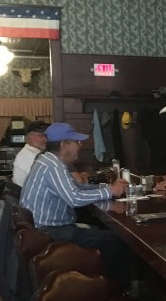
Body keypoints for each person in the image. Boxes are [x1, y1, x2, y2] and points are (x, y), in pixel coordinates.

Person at [20, 122, 131, 288]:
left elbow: (76, 187)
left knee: (102, 232)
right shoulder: (53, 165)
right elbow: (74, 198)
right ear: (64, 144)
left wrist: (108, 188)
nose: (80, 145)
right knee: (115, 239)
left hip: (44, 228)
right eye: (76, 141)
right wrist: (110, 192)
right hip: (49, 231)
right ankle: (111, 290)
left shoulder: (49, 160)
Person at [11, 120, 48, 188]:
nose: (45, 139)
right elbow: (45, 179)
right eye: (41, 136)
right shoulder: (28, 156)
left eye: (46, 136)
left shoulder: (37, 152)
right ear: (28, 138)